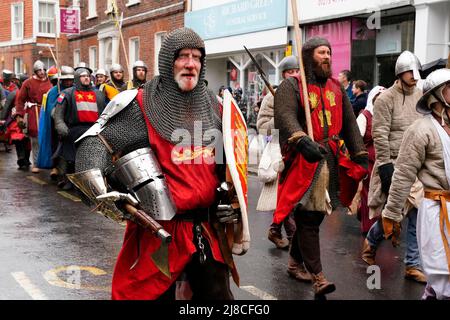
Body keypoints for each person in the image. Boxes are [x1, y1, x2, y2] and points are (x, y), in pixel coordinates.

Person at [73, 27, 237, 300]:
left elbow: (227, 164)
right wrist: (101, 191)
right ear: (167, 61)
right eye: (182, 56)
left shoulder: (214, 104)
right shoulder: (140, 102)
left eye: (196, 57)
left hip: (204, 229)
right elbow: (95, 143)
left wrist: (229, 202)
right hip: (156, 230)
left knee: (218, 298)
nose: (190, 64)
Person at [274, 37, 368, 296]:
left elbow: (350, 123)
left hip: (331, 158)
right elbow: (285, 117)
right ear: (308, 57)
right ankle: (318, 276)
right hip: (304, 160)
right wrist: (301, 139)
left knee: (313, 216)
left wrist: (360, 154)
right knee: (308, 218)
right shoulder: (292, 86)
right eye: (320, 53)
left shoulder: (337, 88)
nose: (326, 56)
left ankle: (295, 262)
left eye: (328, 52)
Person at [381, 68, 450, 299]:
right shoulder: (420, 130)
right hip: (435, 211)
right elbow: (403, 175)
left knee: (439, 285)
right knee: (444, 277)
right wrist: (391, 213)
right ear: (437, 95)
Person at [362, 50, 427, 283]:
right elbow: (379, 134)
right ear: (400, 72)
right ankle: (372, 240)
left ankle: (412, 264)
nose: (413, 75)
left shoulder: (421, 95)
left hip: (417, 165)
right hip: (394, 164)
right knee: (394, 213)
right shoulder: (386, 98)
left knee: (417, 214)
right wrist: (385, 166)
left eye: (415, 70)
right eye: (409, 71)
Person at [257, 55, 299, 250]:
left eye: (297, 71)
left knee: (298, 201)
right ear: (284, 74)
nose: (295, 75)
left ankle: (275, 229)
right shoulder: (270, 98)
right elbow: (263, 127)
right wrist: (282, 118)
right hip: (281, 153)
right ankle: (294, 239)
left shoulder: (304, 95)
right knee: (287, 199)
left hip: (301, 153)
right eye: (291, 72)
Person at [52, 67, 106, 190]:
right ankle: (68, 180)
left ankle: (89, 184)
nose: (86, 78)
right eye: (83, 76)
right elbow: (58, 114)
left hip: (93, 130)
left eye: (88, 76)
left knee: (91, 159)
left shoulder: (98, 94)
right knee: (71, 158)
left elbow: (103, 113)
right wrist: (61, 126)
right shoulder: (67, 94)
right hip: (74, 131)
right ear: (77, 78)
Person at [356, 86, 385, 235]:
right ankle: (368, 226)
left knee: (382, 193)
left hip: (384, 158)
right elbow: (357, 138)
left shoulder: (387, 116)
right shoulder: (365, 116)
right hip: (368, 160)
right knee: (368, 192)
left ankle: (380, 226)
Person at [37, 66, 75, 179]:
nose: (68, 82)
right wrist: (58, 113)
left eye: (70, 79)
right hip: (56, 123)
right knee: (56, 145)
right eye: (66, 79)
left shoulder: (76, 89)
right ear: (61, 79)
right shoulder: (54, 91)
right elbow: (50, 108)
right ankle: (55, 167)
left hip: (71, 123)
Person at [15, 60, 52, 173]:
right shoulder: (28, 83)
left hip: (47, 110)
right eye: (39, 70)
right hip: (34, 111)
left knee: (49, 137)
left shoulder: (51, 81)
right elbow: (20, 100)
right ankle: (36, 163)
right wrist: (19, 115)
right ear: (35, 71)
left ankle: (50, 163)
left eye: (43, 70)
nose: (42, 72)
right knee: (35, 138)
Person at [1, 74, 30, 168]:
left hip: (29, 119)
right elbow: (6, 107)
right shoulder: (14, 93)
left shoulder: (31, 93)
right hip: (16, 121)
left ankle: (27, 158)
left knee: (28, 140)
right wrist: (2, 119)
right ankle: (21, 157)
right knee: (18, 138)